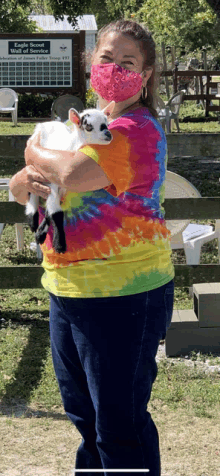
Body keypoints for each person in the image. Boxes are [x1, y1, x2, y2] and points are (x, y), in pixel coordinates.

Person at [9, 19, 175, 476]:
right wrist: (28, 175)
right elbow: (24, 192)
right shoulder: (80, 126)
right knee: (85, 418)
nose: (116, 68)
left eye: (129, 62)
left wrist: (33, 154)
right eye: (107, 58)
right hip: (67, 288)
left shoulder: (136, 129)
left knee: (118, 425)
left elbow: (73, 175)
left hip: (124, 294)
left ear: (144, 76)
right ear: (90, 63)